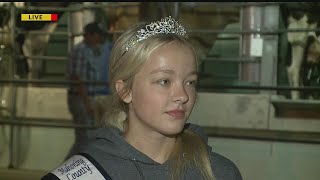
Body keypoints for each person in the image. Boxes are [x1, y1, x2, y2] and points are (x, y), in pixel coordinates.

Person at [42, 16, 242, 180]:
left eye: (190, 82)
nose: (183, 96)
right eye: (164, 81)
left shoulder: (220, 172)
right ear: (125, 91)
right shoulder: (82, 175)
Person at [65, 22, 113, 159]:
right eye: (98, 35)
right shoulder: (80, 51)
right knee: (84, 139)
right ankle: (64, 172)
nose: (100, 39)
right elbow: (77, 79)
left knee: (88, 138)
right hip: (82, 97)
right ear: (90, 35)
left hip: (90, 96)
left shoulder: (98, 49)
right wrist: (87, 103)